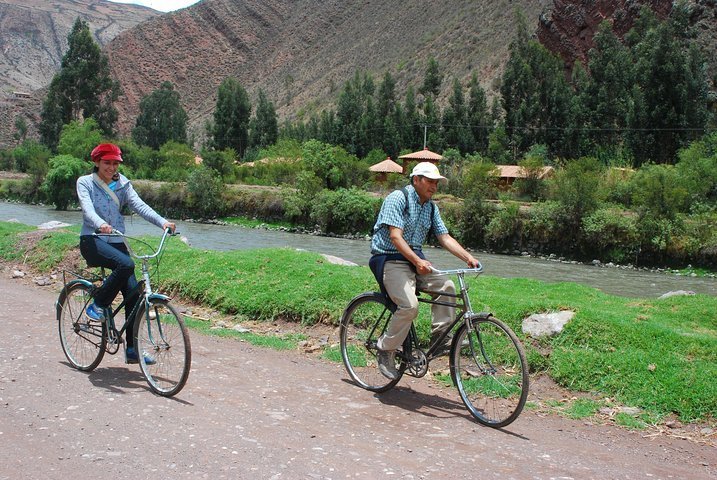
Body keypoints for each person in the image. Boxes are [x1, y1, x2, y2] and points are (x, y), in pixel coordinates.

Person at [370, 161, 479, 380]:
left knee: (446, 286)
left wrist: (468, 257)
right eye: (430, 181)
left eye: (436, 183)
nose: (434, 187)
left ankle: (440, 340)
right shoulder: (398, 199)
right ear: (416, 179)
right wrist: (417, 261)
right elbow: (395, 237)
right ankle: (386, 348)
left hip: (416, 260)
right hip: (390, 259)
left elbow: (444, 237)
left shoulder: (430, 207)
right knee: (409, 306)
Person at [76, 143, 175, 365]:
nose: (111, 167)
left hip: (117, 240)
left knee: (134, 293)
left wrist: (163, 222)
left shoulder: (123, 184)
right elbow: (87, 209)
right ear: (96, 163)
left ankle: (132, 350)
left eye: (115, 163)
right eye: (106, 163)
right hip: (93, 240)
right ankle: (98, 304)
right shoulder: (85, 183)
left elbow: (140, 206)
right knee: (125, 265)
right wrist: (100, 224)